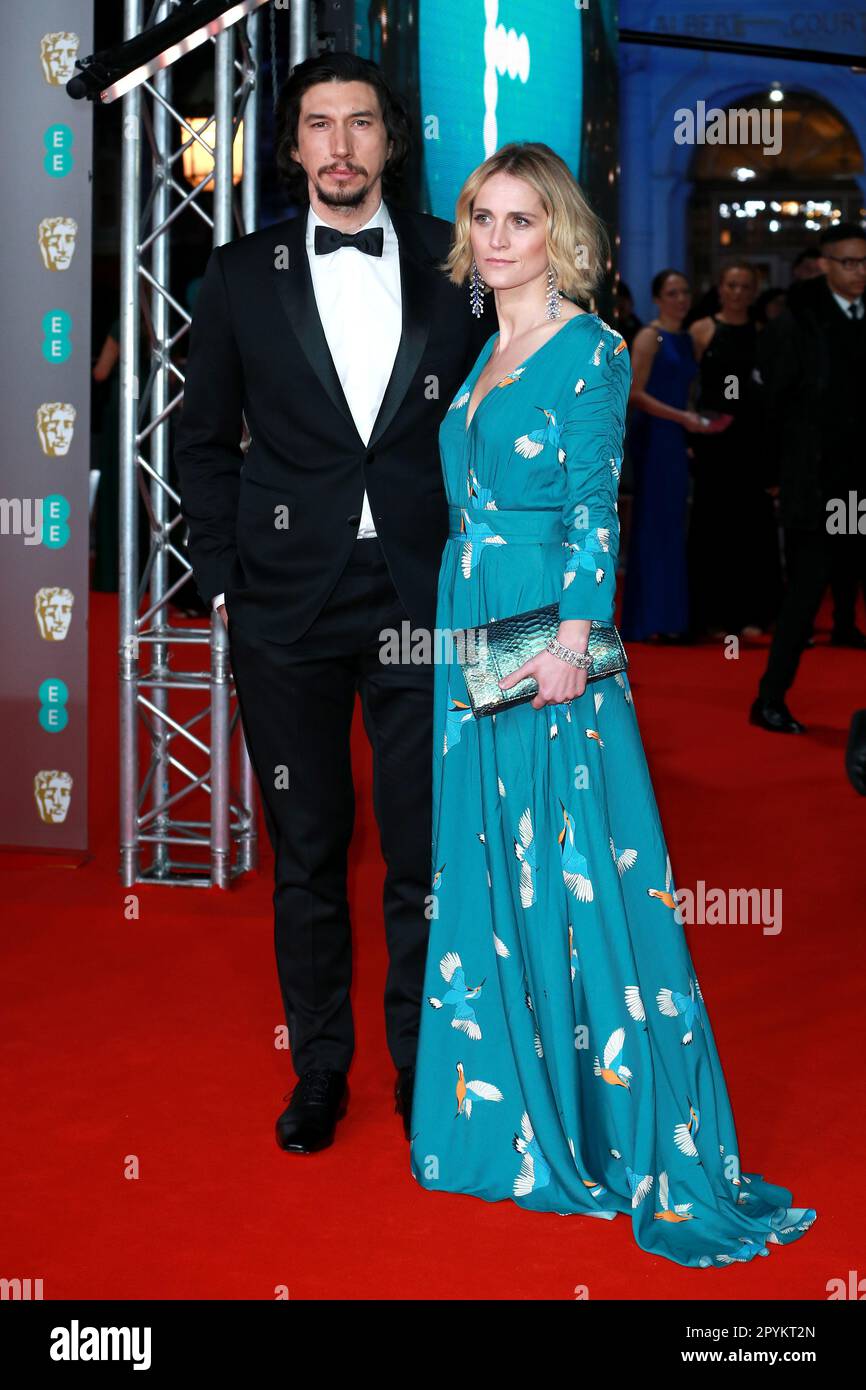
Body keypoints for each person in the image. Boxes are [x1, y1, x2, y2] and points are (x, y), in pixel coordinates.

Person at [409, 142, 817, 1269]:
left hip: (544, 632)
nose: (496, 239)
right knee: (493, 862)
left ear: (561, 235)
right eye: (482, 217)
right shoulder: (485, 344)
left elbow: (598, 502)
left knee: (578, 865)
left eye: (519, 220)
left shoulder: (588, 348)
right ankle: (511, 1112)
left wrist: (573, 645)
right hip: (472, 621)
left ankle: (610, 1125)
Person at [175, 52, 492, 1152]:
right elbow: (200, 443)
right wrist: (219, 582)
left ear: (389, 141)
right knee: (306, 847)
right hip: (284, 606)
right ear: (293, 145)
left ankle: (420, 1069)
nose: (341, 146)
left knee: (421, 851)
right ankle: (319, 1070)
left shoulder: (458, 271)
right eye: (320, 126)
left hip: (420, 594)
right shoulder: (235, 273)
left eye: (361, 125)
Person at [750, 221, 866, 733]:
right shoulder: (796, 320)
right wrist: (778, 476)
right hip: (818, 483)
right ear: (824, 263)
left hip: (861, 481)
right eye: (847, 262)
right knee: (805, 593)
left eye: (864, 263)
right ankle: (770, 699)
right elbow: (771, 407)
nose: (858, 272)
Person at [619, 270, 718, 643]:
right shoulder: (650, 335)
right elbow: (635, 393)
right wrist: (683, 419)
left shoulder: (686, 337)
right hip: (657, 434)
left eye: (685, 291)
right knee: (656, 522)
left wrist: (692, 422)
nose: (680, 298)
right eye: (672, 292)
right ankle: (650, 619)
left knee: (674, 523)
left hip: (678, 435)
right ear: (657, 298)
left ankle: (671, 616)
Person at [687, 263, 781, 639]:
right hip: (713, 442)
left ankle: (754, 613)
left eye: (745, 286)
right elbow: (687, 386)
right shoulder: (701, 330)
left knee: (753, 528)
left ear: (754, 291)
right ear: (720, 287)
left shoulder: (764, 333)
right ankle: (714, 615)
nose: (738, 292)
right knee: (714, 526)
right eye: (731, 285)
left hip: (752, 443)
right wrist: (691, 433)